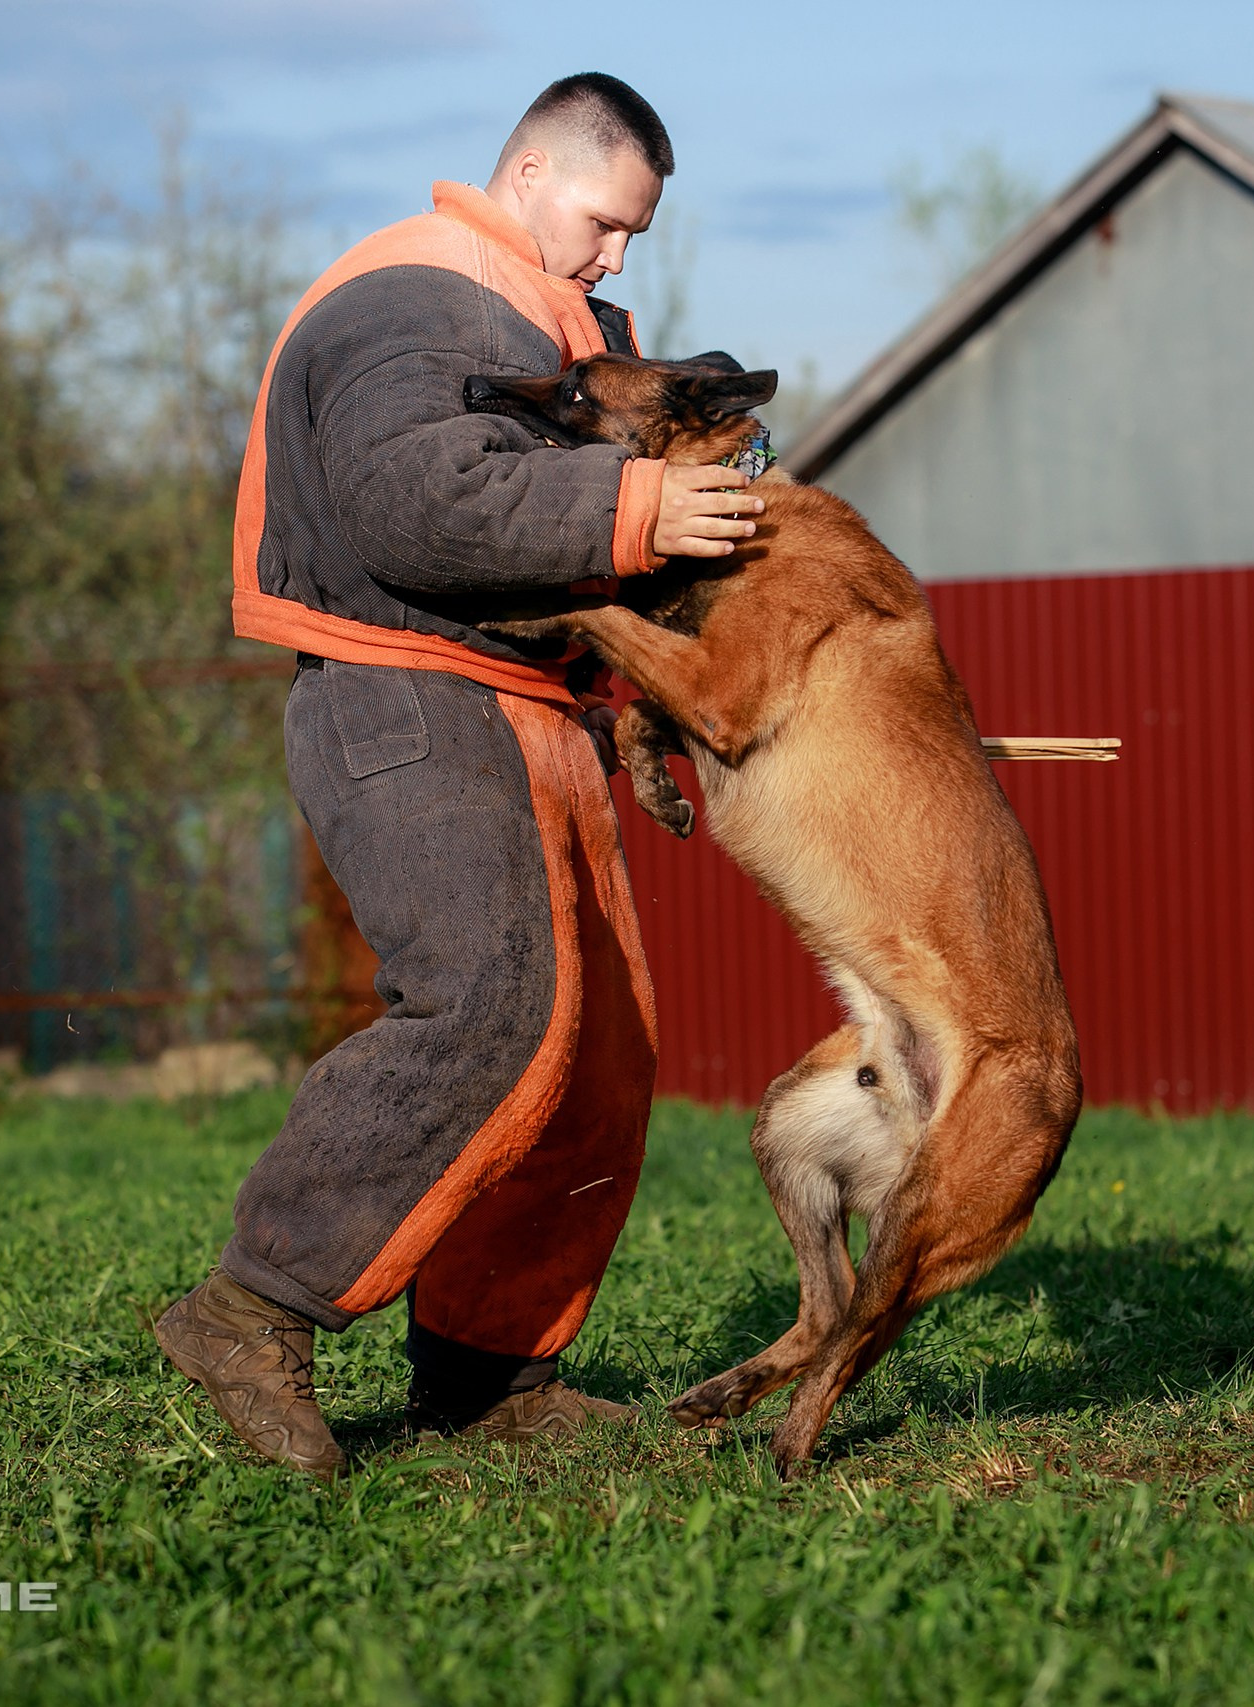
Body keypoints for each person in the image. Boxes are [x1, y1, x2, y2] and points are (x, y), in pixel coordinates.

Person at [152, 73, 764, 1477]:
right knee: (491, 1005)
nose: (618, 259)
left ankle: (492, 1377)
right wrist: (638, 505)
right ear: (531, 172)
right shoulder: (416, 293)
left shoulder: (557, 315)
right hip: (406, 695)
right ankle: (251, 1311)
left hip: (534, 706)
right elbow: (413, 501)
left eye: (636, 237)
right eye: (607, 223)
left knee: (593, 1051)